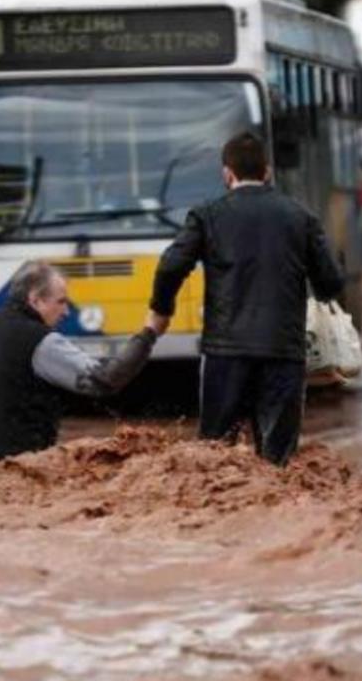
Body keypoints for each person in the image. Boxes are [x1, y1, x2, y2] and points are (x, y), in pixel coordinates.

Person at [146, 131, 344, 465]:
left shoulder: (207, 215)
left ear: (227, 173)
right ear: (267, 171)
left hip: (226, 354)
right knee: (278, 460)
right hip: (284, 352)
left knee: (215, 458)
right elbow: (330, 282)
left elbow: (170, 266)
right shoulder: (300, 216)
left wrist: (161, 311)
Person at [0, 262, 159, 464]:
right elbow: (105, 379)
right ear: (36, 300)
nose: (66, 312)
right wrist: (149, 334)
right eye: (62, 301)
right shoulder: (40, 340)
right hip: (13, 469)